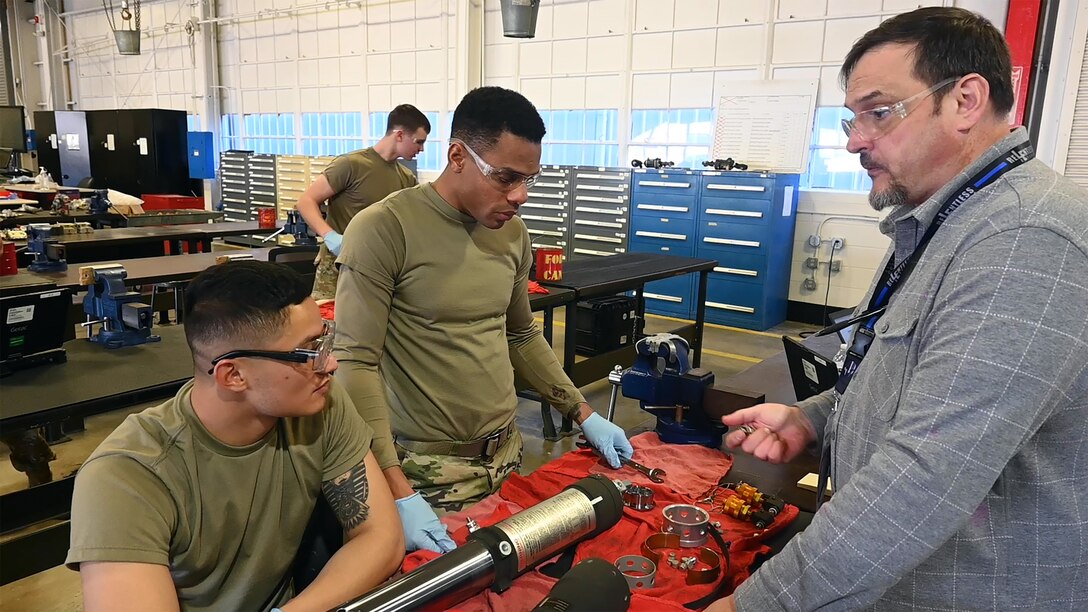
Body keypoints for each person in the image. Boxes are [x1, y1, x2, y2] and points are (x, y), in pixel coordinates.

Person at [710, 7, 1088, 611]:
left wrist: (755, 605)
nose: (855, 140)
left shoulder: (1025, 238)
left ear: (965, 100)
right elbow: (904, 387)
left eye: (879, 112)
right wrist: (814, 418)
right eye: (851, 118)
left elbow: (926, 474)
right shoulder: (944, 223)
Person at [334, 86, 633, 553]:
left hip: (508, 458)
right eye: (506, 177)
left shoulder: (512, 233)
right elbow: (355, 363)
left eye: (530, 179)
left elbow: (521, 335)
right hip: (425, 473)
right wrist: (399, 491)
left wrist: (584, 412)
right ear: (457, 155)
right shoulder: (385, 229)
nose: (521, 196)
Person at [66, 261, 404, 611]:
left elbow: (381, 537)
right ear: (233, 376)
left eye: (325, 340)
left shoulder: (319, 402)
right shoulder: (128, 476)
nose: (329, 364)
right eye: (310, 351)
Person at [296, 104, 431, 299]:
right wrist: (330, 236)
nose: (421, 149)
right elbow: (306, 201)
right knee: (328, 322)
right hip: (337, 265)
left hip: (376, 265)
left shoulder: (406, 178)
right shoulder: (351, 165)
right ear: (399, 135)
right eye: (419, 142)